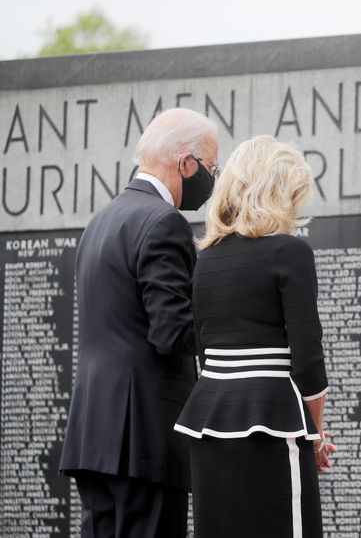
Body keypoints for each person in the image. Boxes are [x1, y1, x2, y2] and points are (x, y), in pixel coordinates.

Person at [59, 108, 220, 537]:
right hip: (143, 439)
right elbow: (171, 332)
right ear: (185, 163)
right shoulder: (162, 221)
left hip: (94, 435)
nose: (212, 179)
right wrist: (228, 320)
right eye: (211, 166)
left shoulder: (100, 221)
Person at [174, 135, 335, 538]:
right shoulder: (289, 252)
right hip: (271, 423)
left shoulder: (206, 259)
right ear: (280, 191)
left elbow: (204, 350)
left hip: (209, 421)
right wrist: (314, 435)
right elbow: (308, 360)